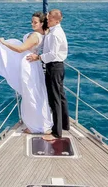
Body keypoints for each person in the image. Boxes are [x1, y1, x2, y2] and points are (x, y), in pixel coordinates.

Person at [0, 12, 53, 135]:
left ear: (42, 23)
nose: (32, 24)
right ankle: (39, 122)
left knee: (30, 94)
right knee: (36, 93)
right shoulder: (43, 34)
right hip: (33, 64)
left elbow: (21, 49)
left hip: (28, 65)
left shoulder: (35, 35)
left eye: (35, 22)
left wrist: (3, 42)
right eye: (32, 21)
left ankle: (35, 127)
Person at [26, 9, 69, 140]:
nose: (47, 21)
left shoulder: (56, 34)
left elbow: (53, 54)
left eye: (49, 19)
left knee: (54, 98)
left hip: (54, 66)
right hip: (57, 66)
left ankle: (56, 133)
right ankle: (65, 125)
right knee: (60, 97)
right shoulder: (53, 31)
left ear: (56, 20)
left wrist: (38, 57)